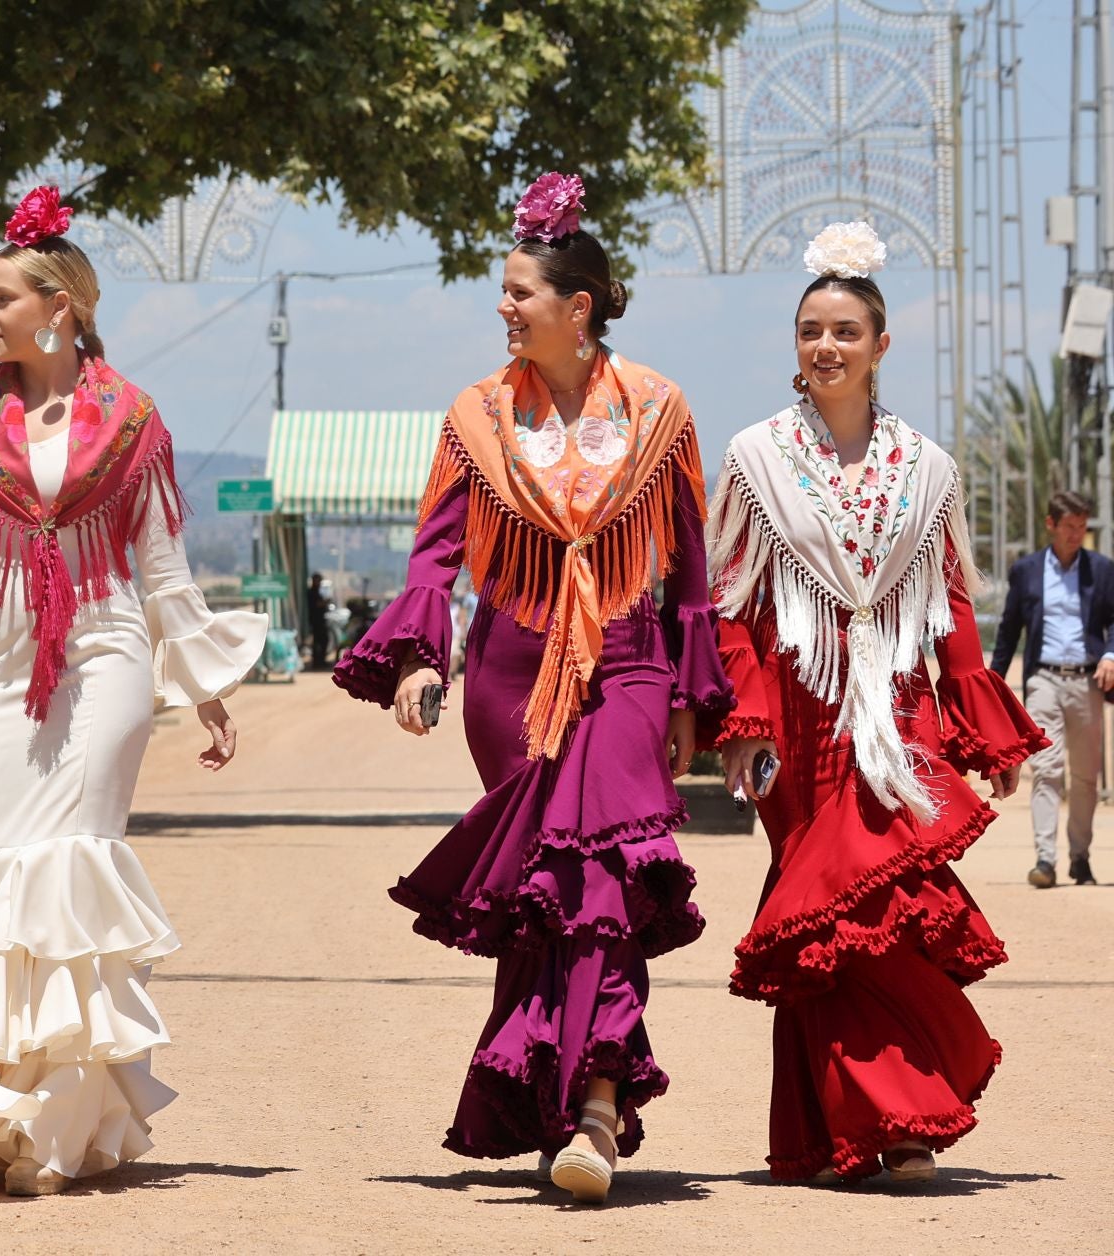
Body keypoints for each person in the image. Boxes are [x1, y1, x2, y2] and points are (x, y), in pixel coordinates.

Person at [0, 186, 266, 1197]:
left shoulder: (133, 419)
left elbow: (163, 564)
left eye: (1, 298)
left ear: (59, 307)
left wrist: (204, 685)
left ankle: (56, 1127)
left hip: (108, 651)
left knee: (71, 873)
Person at [333, 173, 729, 1205]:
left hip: (631, 659)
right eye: (503, 294)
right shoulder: (475, 416)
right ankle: (555, 1106)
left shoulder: (660, 409)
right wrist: (422, 658)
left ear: (577, 306)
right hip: (510, 667)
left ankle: (597, 1104)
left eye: (520, 292)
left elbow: (687, 560)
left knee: (605, 876)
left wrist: (689, 697)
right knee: (544, 895)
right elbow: (434, 556)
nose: (504, 308)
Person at [709, 222, 1046, 1184]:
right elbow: (730, 607)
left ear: (881, 345)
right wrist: (745, 723)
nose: (826, 346)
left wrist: (986, 728)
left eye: (846, 330)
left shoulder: (928, 469)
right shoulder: (755, 457)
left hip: (896, 716)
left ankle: (898, 1120)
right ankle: (847, 1129)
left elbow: (947, 608)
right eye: (812, 329)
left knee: (891, 902)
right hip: (799, 714)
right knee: (821, 923)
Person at [990, 488, 1114, 888]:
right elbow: (1009, 631)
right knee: (1046, 767)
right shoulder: (1026, 570)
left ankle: (1080, 856)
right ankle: (1045, 859)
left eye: (1082, 527)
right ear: (1051, 525)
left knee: (1085, 776)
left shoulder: (1102, 570)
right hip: (1042, 677)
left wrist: (1112, 656)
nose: (1077, 535)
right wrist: (992, 685)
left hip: (1088, 681)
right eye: (1069, 527)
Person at [305, 571, 332, 669]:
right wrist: (325, 602)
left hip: (319, 620)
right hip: (316, 621)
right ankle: (318, 662)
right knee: (320, 641)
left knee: (322, 641)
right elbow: (317, 604)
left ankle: (320, 661)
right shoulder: (312, 592)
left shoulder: (317, 591)